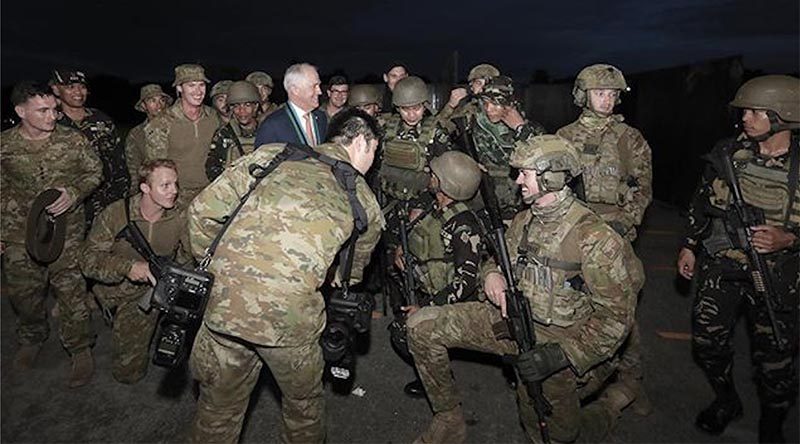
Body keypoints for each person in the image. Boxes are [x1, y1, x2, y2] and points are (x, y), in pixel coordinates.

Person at [407, 135, 644, 444]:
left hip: (561, 342)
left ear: (551, 176)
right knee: (421, 327)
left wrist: (562, 356)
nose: (517, 180)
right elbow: (495, 259)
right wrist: (492, 276)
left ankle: (611, 405)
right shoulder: (525, 220)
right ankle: (449, 420)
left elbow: (616, 319)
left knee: (558, 436)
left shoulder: (595, 238)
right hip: (513, 320)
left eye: (525, 173)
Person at [186, 108, 384, 443]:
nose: (373, 161)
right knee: (302, 407)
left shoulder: (270, 155)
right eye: (375, 152)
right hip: (289, 324)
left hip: (224, 307)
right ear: (363, 141)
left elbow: (201, 213)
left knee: (218, 407)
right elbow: (349, 277)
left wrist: (223, 271)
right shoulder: (363, 200)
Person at [677, 75, 799, 443]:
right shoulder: (728, 154)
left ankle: (772, 423)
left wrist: (790, 238)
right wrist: (689, 244)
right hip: (724, 267)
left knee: (775, 360)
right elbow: (702, 201)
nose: (745, 117)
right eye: (744, 110)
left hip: (780, 277)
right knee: (707, 342)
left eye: (755, 111)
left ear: (784, 116)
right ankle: (727, 399)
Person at [556, 63, 654, 416]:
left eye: (613, 94)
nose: (608, 100)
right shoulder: (565, 137)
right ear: (583, 95)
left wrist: (625, 225)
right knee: (570, 306)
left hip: (614, 232)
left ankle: (631, 381)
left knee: (622, 309)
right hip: (575, 231)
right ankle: (576, 380)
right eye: (600, 93)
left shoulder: (630, 139)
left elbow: (642, 189)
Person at [1, 81, 103, 387]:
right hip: (20, 233)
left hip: (65, 232)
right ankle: (32, 336)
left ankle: (80, 348)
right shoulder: (4, 146)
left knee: (71, 293)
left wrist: (74, 193)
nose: (52, 116)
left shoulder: (73, 141)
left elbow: (94, 173)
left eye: (54, 109)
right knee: (24, 294)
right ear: (21, 112)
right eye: (43, 110)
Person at [79, 159, 191, 384]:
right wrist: (128, 267)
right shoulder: (115, 214)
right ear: (145, 188)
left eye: (176, 184)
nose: (174, 191)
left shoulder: (182, 217)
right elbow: (87, 260)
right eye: (165, 185)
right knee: (127, 374)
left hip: (158, 288)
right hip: (123, 291)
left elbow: (188, 258)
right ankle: (104, 306)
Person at [393, 151, 484, 397]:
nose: (429, 175)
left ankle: (439, 379)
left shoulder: (463, 225)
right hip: (427, 286)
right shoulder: (435, 206)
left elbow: (466, 282)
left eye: (434, 174)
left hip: (448, 300)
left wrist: (428, 308)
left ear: (445, 184)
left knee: (404, 333)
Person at [51, 68, 129, 230]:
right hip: (66, 206)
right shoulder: (50, 122)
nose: (78, 92)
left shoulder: (101, 120)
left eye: (82, 87)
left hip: (104, 203)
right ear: (56, 89)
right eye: (70, 87)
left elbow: (118, 163)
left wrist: (120, 199)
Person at [144, 64, 221, 208]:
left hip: (211, 193)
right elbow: (156, 167)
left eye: (202, 85)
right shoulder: (162, 122)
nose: (198, 91)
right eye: (191, 85)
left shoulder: (214, 118)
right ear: (179, 88)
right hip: (178, 198)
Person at [469, 76, 546, 219]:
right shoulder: (475, 127)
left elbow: (543, 161)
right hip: (483, 206)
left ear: (511, 104)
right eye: (485, 103)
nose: (489, 109)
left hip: (520, 209)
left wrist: (520, 128)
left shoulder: (533, 130)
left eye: (495, 103)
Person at [254, 63, 328, 147]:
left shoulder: (321, 118)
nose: (320, 91)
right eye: (314, 86)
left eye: (319, 85)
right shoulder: (272, 126)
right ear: (295, 90)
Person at [206, 80, 261, 181]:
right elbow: (212, 168)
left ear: (256, 107)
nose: (242, 111)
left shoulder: (268, 131)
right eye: (236, 106)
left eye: (247, 105)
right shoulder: (224, 134)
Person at [126, 84, 173, 194]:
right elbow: (134, 168)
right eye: (152, 101)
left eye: (162, 100)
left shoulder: (178, 125)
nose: (159, 105)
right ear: (143, 105)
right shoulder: (136, 134)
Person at [437, 63, 500, 127]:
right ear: (471, 85)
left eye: (488, 84)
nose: (482, 88)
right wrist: (451, 105)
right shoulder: (466, 110)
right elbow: (436, 129)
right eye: (479, 83)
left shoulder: (501, 108)